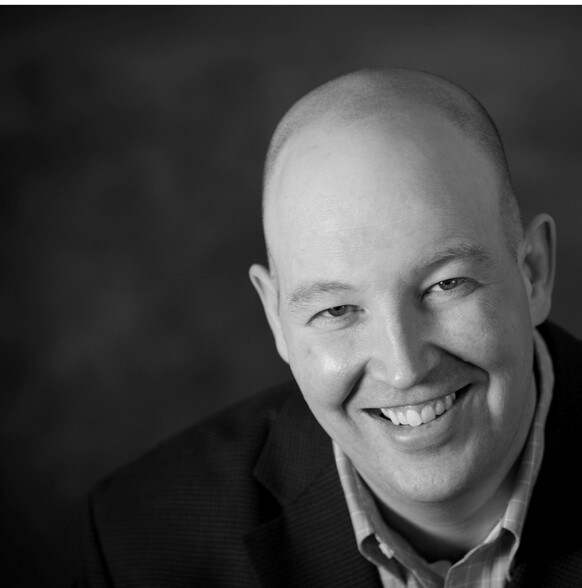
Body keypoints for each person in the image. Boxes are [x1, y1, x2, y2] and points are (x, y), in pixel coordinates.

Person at [77, 68, 582, 587]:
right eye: (337, 311)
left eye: (445, 285)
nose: (404, 369)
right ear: (276, 317)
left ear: (533, 272)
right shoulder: (138, 541)